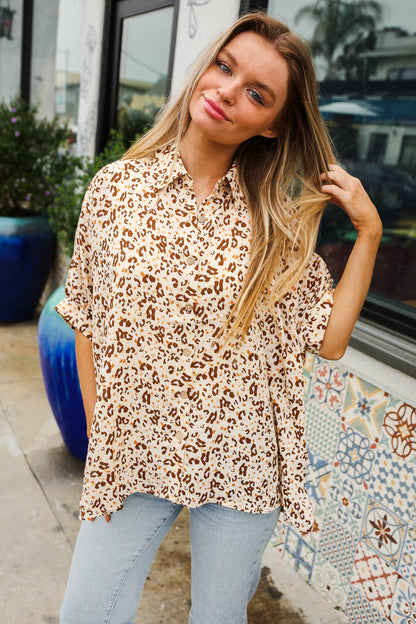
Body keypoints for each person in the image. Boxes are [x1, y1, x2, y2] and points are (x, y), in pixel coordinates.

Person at [57, 12, 382, 624]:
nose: (228, 92)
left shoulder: (274, 225)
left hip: (242, 461)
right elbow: (87, 314)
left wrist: (369, 232)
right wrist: (102, 427)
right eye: (224, 67)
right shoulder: (115, 190)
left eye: (257, 94)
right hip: (136, 450)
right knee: (86, 612)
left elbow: (332, 340)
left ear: (272, 125)